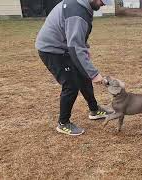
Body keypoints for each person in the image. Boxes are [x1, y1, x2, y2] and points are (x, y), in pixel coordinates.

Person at [35, 0, 113, 136]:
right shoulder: (77, 12)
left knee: (84, 77)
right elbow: (75, 48)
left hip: (65, 48)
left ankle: (94, 110)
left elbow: (76, 36)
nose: (103, 4)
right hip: (52, 50)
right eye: (102, 1)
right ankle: (63, 123)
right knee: (71, 85)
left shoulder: (82, 6)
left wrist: (85, 48)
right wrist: (94, 74)